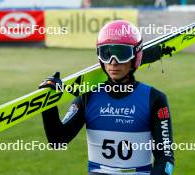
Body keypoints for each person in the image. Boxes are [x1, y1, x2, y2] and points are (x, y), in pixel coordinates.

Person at [39, 20, 174, 175]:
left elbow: (166, 159)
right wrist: (48, 101)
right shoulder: (88, 96)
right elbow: (57, 140)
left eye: (122, 54)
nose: (113, 62)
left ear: (135, 56)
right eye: (107, 53)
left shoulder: (155, 99)